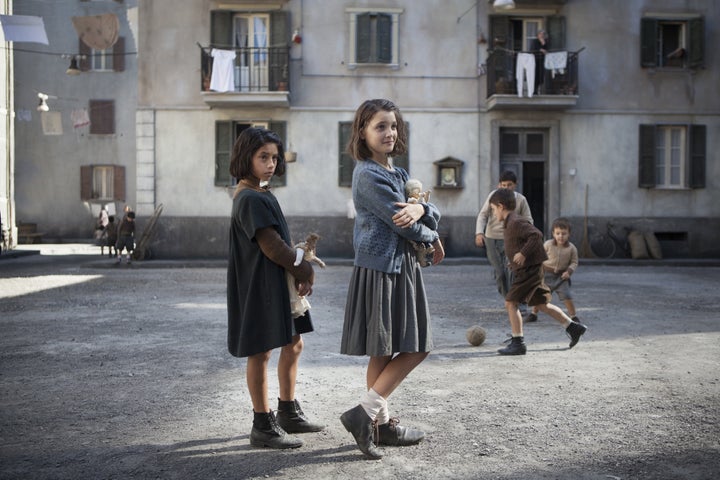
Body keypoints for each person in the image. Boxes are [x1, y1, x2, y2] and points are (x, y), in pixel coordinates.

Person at [339, 99, 445, 460]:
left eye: (393, 126)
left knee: (384, 351)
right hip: (381, 268)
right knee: (418, 345)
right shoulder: (368, 174)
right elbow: (406, 225)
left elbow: (425, 213)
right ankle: (363, 415)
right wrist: (428, 226)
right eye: (380, 126)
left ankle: (380, 426)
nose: (389, 133)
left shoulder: (397, 175)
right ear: (363, 132)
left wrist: (423, 207)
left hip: (401, 267)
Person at [226, 127, 323, 450]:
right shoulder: (249, 197)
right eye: (263, 157)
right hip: (260, 285)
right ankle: (262, 424)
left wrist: (295, 270)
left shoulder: (262, 192)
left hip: (277, 282)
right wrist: (304, 268)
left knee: (293, 344)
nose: (270, 163)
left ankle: (287, 412)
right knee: (261, 351)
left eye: (274, 158)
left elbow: (280, 245)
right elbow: (272, 247)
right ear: (246, 159)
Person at [488, 188, 587, 355]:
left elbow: (536, 235)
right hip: (529, 269)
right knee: (541, 304)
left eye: (492, 209)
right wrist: (513, 262)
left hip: (528, 272)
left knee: (511, 303)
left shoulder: (516, 222)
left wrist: (523, 253)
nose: (492, 213)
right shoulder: (510, 223)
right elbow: (519, 244)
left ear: (501, 206)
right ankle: (573, 327)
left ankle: (518, 342)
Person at [475, 171, 533, 306]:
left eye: (509, 185)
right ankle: (508, 298)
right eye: (503, 185)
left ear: (515, 185)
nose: (506, 188)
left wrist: (526, 238)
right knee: (500, 273)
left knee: (512, 269)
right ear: (499, 185)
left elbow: (528, 220)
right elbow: (483, 215)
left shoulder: (521, 200)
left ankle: (515, 301)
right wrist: (479, 233)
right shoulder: (493, 197)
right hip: (492, 238)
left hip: (512, 239)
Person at [526, 217, 581, 323]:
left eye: (564, 233)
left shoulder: (572, 248)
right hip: (546, 275)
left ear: (569, 234)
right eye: (558, 233)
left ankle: (573, 316)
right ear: (553, 233)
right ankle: (533, 314)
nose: (561, 236)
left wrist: (569, 271)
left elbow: (574, 262)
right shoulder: (548, 244)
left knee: (567, 296)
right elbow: (539, 256)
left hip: (561, 277)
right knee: (539, 296)